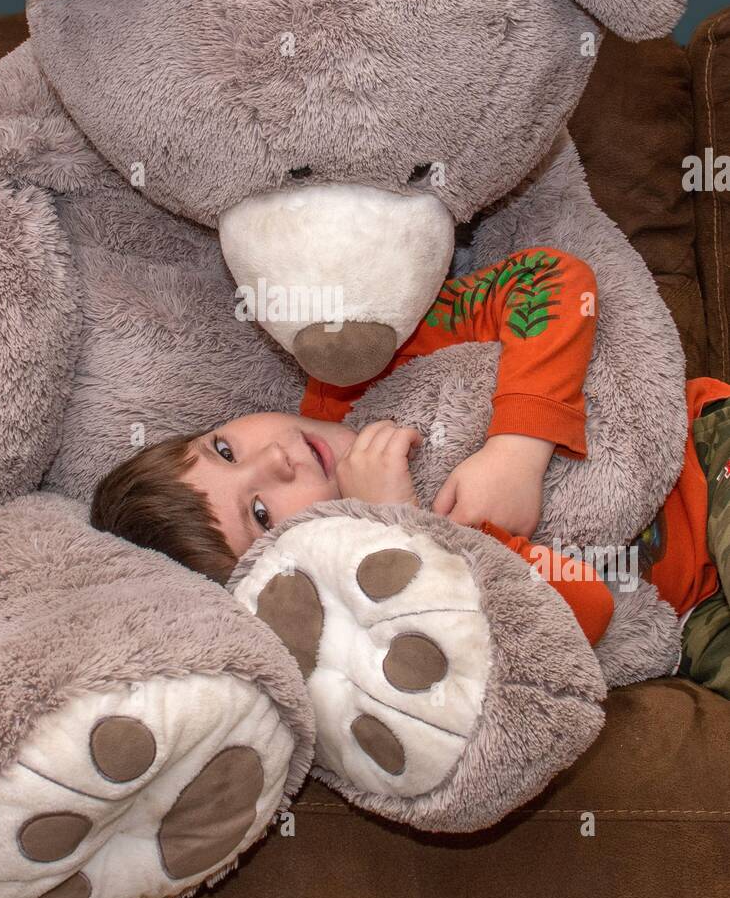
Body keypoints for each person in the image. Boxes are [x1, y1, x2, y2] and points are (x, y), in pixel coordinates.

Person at [90, 247, 730, 697]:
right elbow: (584, 613)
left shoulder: (355, 370)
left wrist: (518, 445)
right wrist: (407, 528)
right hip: (692, 612)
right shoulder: (380, 590)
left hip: (704, 455)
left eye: (224, 449)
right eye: (259, 512)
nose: (276, 459)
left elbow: (552, 281)